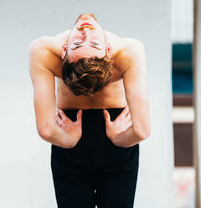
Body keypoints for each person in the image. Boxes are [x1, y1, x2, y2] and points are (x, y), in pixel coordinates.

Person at [29, 13, 151, 208]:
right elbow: (141, 130)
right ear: (64, 53)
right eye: (76, 45)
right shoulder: (44, 50)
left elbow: (46, 130)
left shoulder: (129, 51)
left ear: (108, 51)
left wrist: (71, 140)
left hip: (82, 131)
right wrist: (117, 138)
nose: (86, 31)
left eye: (94, 44)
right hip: (106, 132)